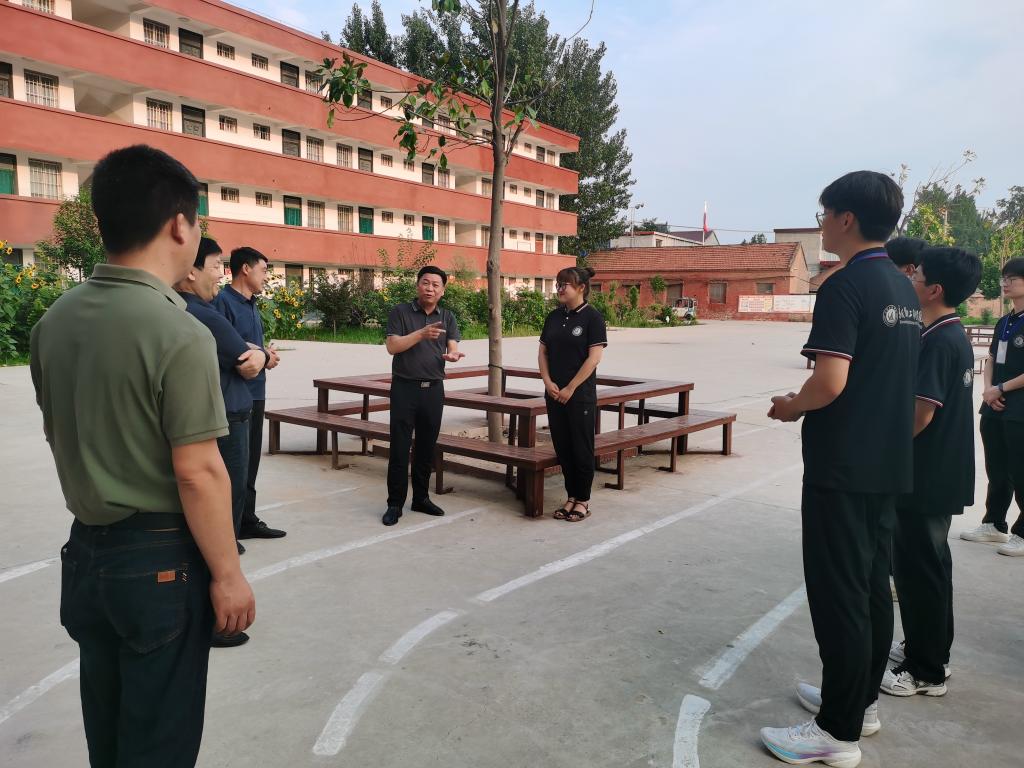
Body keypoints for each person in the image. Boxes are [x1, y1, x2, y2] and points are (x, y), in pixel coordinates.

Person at [30, 144, 255, 767]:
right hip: (158, 562)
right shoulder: (178, 331)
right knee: (159, 744)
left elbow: (61, 432)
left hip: (86, 556)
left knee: (108, 737)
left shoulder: (54, 322)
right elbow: (199, 470)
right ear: (180, 225)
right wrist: (228, 575)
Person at [761, 171, 918, 768]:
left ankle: (836, 731)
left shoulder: (844, 285)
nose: (822, 224)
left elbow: (829, 381)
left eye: (824, 214)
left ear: (846, 218)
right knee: (872, 586)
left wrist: (790, 406)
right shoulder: (902, 287)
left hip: (844, 465)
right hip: (886, 461)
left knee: (839, 594)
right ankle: (857, 702)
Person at [880, 247, 980, 698]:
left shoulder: (939, 341)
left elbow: (920, 414)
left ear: (934, 289)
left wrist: (881, 449)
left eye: (915, 275)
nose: (909, 280)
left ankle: (926, 671)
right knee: (932, 567)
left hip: (926, 474)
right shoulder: (948, 332)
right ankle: (930, 649)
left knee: (919, 570)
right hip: (939, 471)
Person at [176, 236, 270, 648]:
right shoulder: (204, 314)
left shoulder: (175, 309)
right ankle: (216, 617)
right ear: (190, 270)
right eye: (216, 265)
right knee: (222, 516)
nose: (220, 273)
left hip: (215, 416)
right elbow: (246, 362)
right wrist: (260, 355)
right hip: (229, 418)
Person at [381, 266, 464, 526]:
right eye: (425, 283)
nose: (430, 288)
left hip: (433, 389)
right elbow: (392, 346)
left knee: (426, 447)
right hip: (404, 388)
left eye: (435, 285)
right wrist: (421, 334)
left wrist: (453, 354)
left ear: (443, 290)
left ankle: (421, 498)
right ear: (417, 285)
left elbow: (452, 345)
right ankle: (395, 504)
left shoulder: (447, 316)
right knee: (400, 447)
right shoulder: (401, 312)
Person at [213, 246, 286, 540]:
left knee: (251, 462)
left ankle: (246, 520)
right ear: (245, 268)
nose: (266, 276)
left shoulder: (252, 303)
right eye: (264, 269)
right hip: (234, 397)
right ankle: (227, 531)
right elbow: (229, 350)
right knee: (234, 467)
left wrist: (265, 353)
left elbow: (248, 346)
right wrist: (262, 357)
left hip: (257, 392)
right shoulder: (223, 302)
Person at [961, 256, 1024, 556]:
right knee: (997, 468)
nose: (1005, 283)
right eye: (1004, 278)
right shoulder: (1005, 321)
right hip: (994, 404)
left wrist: (1001, 388)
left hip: (1019, 406)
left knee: (1020, 469)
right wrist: (988, 389)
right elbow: (990, 358)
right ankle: (994, 524)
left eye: (1013, 278)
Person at [538, 266, 607, 522]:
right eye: (558, 284)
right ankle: (571, 496)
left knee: (581, 447)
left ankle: (583, 500)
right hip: (554, 394)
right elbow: (543, 352)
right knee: (563, 447)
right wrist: (547, 382)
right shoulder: (554, 317)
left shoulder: (593, 318)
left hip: (579, 395)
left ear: (581, 288)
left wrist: (571, 387)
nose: (560, 288)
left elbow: (594, 359)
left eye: (564, 284)